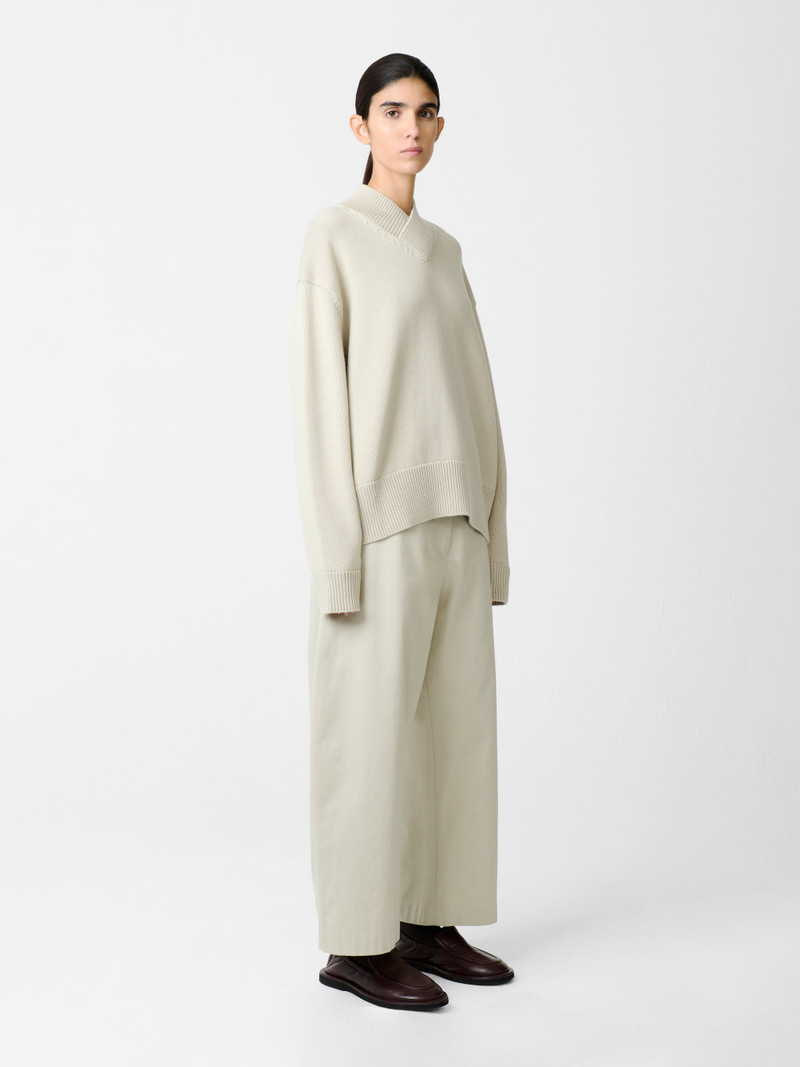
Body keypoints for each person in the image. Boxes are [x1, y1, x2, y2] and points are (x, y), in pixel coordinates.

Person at [289, 52, 514, 1011]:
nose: (410, 129)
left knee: (453, 737)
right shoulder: (335, 236)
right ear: (360, 127)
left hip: (456, 522)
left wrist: (493, 534)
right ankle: (356, 943)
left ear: (439, 127)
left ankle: (427, 917)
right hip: (380, 533)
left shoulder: (447, 252)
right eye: (391, 111)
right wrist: (337, 558)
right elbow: (319, 405)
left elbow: (477, 396)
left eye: (424, 113)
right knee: (368, 739)